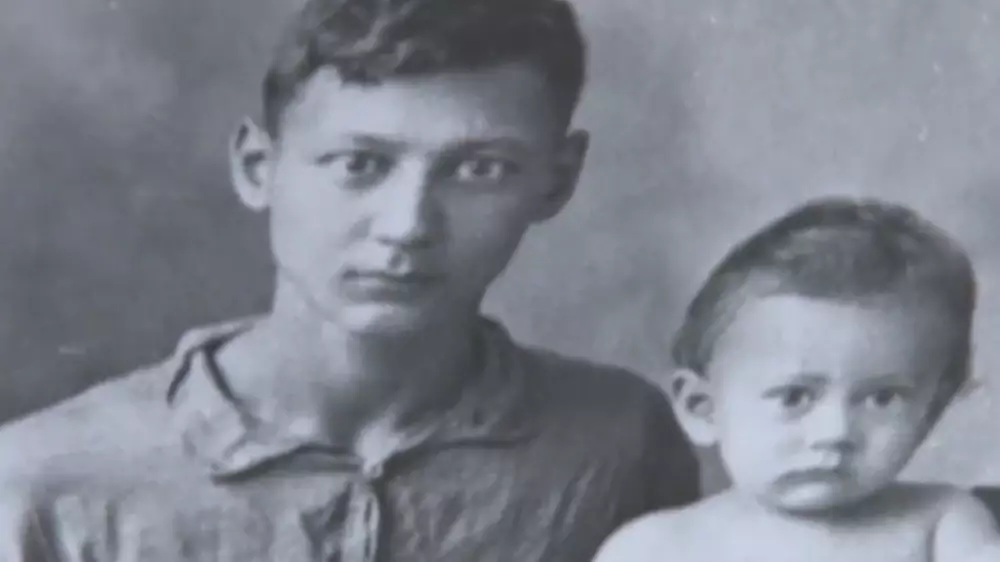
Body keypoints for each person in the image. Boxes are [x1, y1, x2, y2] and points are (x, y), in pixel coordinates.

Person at [0, 0, 701, 560]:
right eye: (358, 164)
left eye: (480, 169)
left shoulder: (623, 442)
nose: (407, 226)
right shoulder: (42, 483)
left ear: (557, 181)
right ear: (258, 168)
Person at [593, 197, 1000, 562]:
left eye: (882, 398)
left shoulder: (943, 523)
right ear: (703, 408)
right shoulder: (655, 547)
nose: (835, 433)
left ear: (932, 410)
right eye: (794, 397)